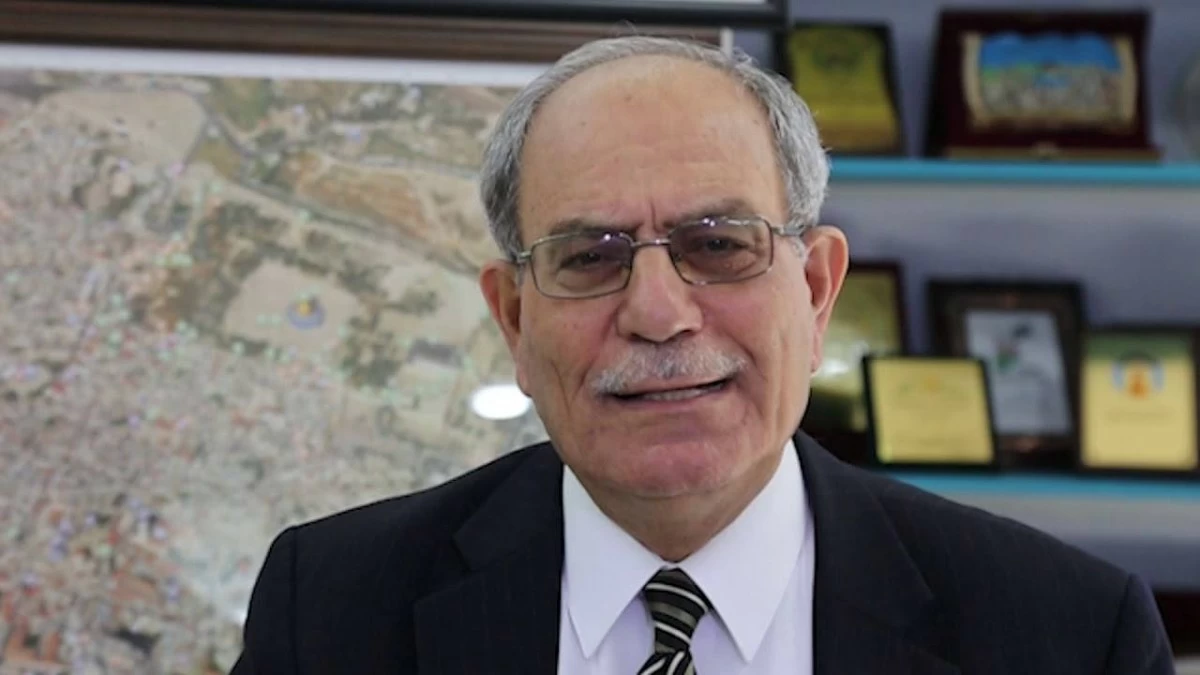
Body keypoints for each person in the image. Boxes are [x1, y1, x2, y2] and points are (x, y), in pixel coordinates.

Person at [229, 36, 1174, 674]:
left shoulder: (1070, 637)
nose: (657, 313)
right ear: (514, 319)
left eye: (719, 244)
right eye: (590, 257)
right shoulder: (331, 612)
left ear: (816, 291)